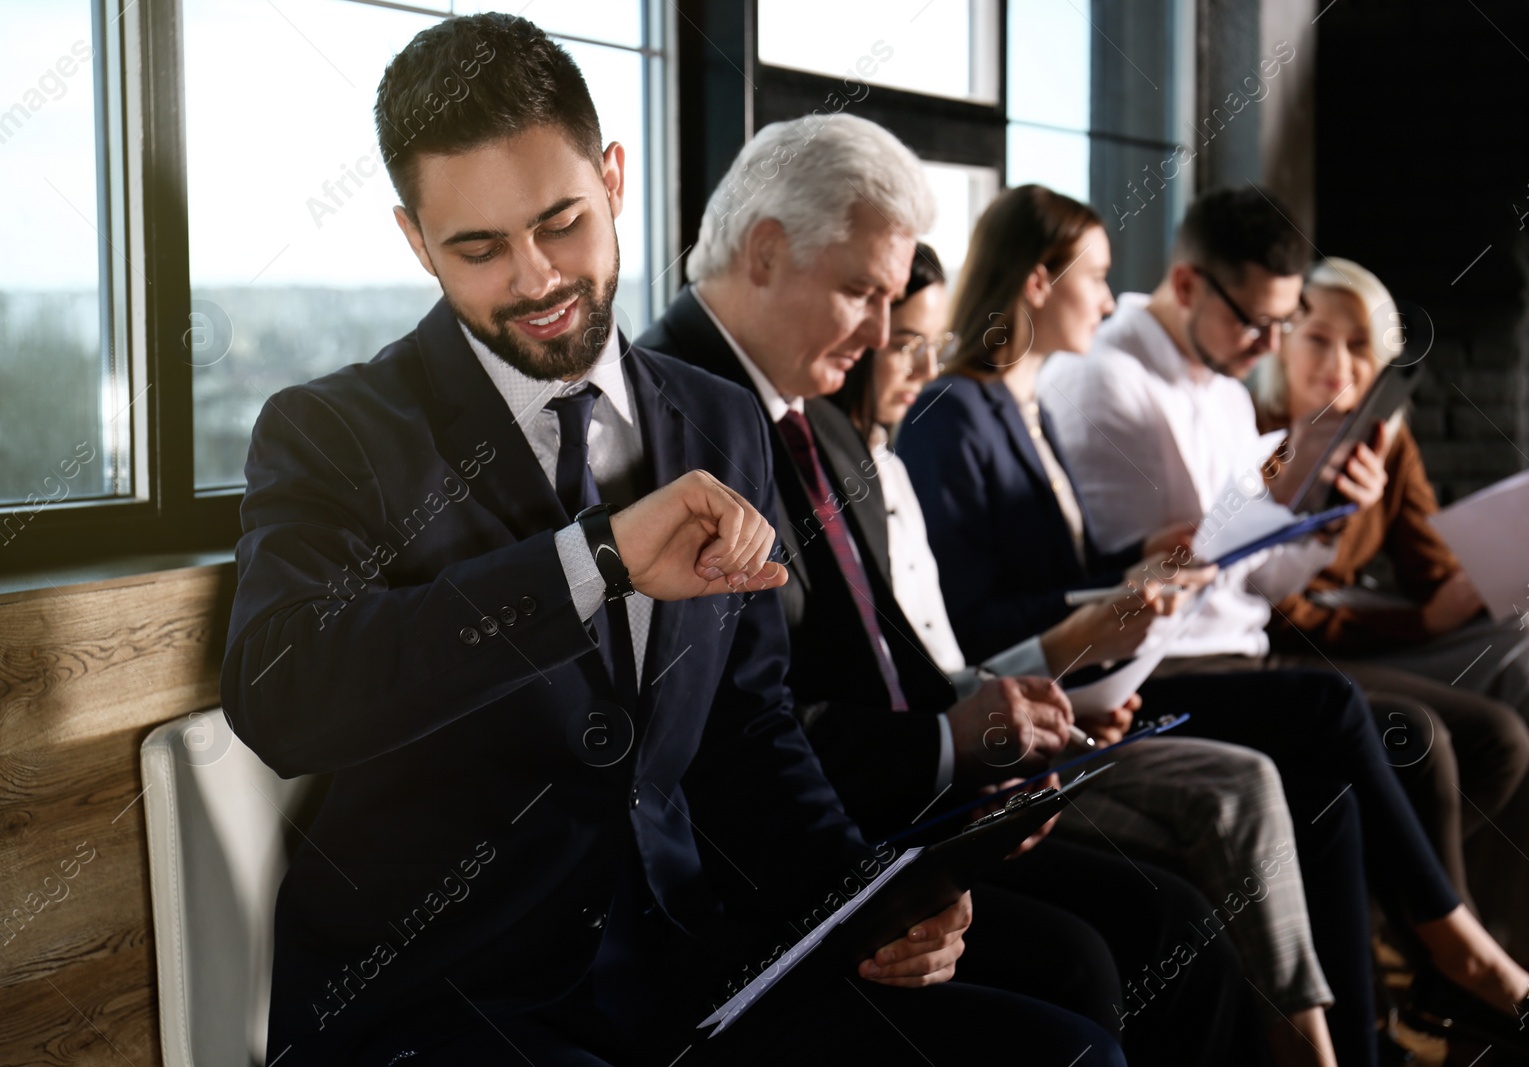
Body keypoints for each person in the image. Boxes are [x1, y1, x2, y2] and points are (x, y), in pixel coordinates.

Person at [220, 16, 1123, 1066]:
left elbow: (747, 727)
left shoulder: (718, 416)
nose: (535, 278)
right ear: (415, 241)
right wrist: (590, 558)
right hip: (451, 1008)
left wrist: (862, 897)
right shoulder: (333, 428)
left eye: (561, 222)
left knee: (1069, 1049)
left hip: (690, 979)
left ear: (612, 177)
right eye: (476, 248)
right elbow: (285, 686)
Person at [916, 182, 1529, 1066]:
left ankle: (1396, 1007)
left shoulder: (1188, 395)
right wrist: (1194, 548)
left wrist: (1306, 501)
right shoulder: (1084, 389)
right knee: (1353, 727)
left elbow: (1248, 572)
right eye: (1269, 323)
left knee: (1389, 763)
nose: (1275, 347)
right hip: (1159, 663)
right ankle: (1456, 962)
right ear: (1193, 287)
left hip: (1189, 646)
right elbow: (1105, 597)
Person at [641, 114, 1268, 1066]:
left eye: (891, 299)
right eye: (861, 291)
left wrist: (981, 745)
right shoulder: (677, 422)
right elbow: (730, 745)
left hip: (883, 812)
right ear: (763, 252)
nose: (886, 334)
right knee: (1096, 965)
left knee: (1170, 922)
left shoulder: (816, 416)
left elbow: (885, 654)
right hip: (772, 879)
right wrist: (899, 841)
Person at [833, 243, 1344, 1067]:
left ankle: (1334, 1036)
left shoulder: (973, 425)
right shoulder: (957, 416)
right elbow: (958, 641)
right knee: (1179, 887)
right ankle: (1325, 1042)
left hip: (1038, 710)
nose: (1109, 300)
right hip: (980, 747)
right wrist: (1083, 642)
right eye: (904, 344)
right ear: (1037, 279)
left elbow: (957, 649)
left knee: (1290, 799)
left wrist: (1115, 609)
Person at [1255, 254, 1529, 1017]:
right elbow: (1269, 611)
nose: (1339, 363)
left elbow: (1432, 570)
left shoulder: (1383, 436)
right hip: (1286, 645)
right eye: (1317, 337)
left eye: (1360, 347)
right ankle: (1500, 941)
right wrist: (1423, 619)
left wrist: (1518, 583)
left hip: (1364, 626)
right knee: (1488, 706)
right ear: (1282, 339)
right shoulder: (1251, 432)